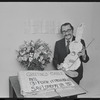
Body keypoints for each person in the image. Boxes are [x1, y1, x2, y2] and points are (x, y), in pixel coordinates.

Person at [52, 22, 89, 98]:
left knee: (73, 96)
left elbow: (85, 59)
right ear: (62, 33)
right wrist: (58, 66)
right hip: (63, 75)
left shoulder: (80, 41)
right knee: (63, 96)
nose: (66, 33)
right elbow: (55, 60)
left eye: (68, 30)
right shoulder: (58, 43)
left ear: (72, 30)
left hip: (76, 74)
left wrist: (84, 55)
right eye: (64, 31)